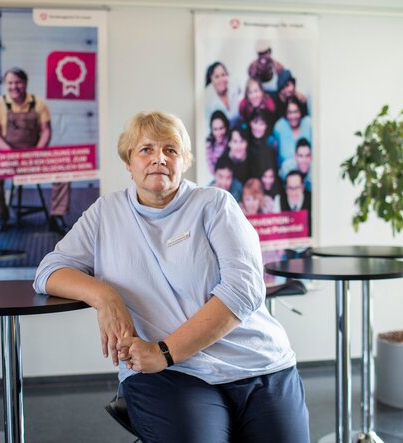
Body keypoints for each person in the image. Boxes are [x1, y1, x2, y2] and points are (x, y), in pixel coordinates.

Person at [33, 111, 309, 443]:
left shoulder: (214, 204)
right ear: (128, 161)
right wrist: (105, 296)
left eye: (171, 150)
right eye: (146, 149)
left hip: (257, 365)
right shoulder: (106, 214)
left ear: (185, 161)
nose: (159, 158)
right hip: (169, 375)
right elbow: (49, 271)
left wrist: (165, 350)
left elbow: (244, 291)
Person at [0, 67, 70, 234]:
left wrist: (37, 151)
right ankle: (2, 215)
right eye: (10, 83)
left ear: (25, 83)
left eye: (18, 82)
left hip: (34, 155)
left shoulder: (38, 103)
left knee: (62, 170)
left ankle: (56, 216)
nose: (14, 86)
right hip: (7, 154)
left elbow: (46, 130)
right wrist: (9, 152)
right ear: (5, 84)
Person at [273, 96, 313, 168]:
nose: (293, 116)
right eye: (289, 112)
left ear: (301, 111)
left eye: (296, 111)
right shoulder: (280, 126)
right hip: (286, 173)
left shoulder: (308, 123)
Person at [276, 170, 312, 235]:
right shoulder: (278, 200)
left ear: (302, 187)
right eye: (290, 188)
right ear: (286, 189)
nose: (294, 192)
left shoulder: (311, 199)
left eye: (297, 187)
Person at [205, 111, 230, 175]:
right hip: (219, 178)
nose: (219, 133)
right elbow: (210, 165)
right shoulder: (209, 142)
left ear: (226, 127)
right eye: (215, 129)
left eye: (221, 128)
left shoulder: (231, 138)